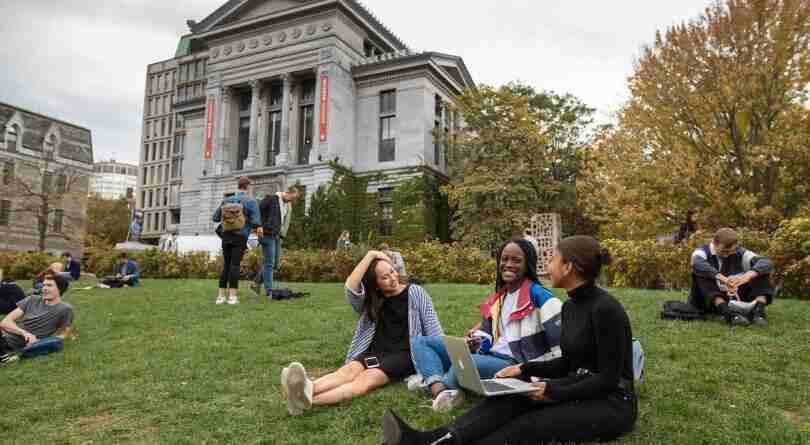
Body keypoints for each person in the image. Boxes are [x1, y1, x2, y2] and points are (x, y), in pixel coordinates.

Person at [382, 236, 637, 445]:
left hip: (612, 405)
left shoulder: (605, 310)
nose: (547, 266)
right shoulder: (571, 307)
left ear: (568, 266)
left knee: (526, 426)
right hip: (578, 386)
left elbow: (607, 379)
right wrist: (525, 370)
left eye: (553, 260)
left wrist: (553, 390)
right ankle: (432, 440)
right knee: (508, 398)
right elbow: (568, 362)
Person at [280, 250, 444, 415]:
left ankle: (307, 401)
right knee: (346, 372)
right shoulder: (372, 301)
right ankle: (306, 388)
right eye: (384, 278)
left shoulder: (415, 293)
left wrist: (441, 358)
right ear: (376, 284)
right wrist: (370, 255)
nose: (393, 278)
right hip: (375, 352)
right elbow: (351, 288)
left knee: (365, 381)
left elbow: (433, 327)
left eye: (392, 272)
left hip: (403, 355)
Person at [410, 238, 562, 412]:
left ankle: (436, 384)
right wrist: (476, 342)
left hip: (514, 364)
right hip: (491, 355)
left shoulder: (542, 298)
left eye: (516, 260)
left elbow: (560, 347)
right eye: (504, 259)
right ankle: (440, 388)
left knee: (465, 365)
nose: (508, 264)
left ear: (528, 264)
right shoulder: (499, 298)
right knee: (421, 342)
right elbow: (487, 333)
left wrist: (544, 380)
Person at [689, 227, 774, 326]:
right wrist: (723, 279)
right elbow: (697, 263)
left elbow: (766, 262)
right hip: (708, 302)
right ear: (714, 243)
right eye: (724, 251)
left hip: (735, 298)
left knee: (761, 270)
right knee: (700, 273)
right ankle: (728, 314)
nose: (727, 255)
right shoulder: (702, 251)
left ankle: (759, 312)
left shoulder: (740, 252)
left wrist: (747, 276)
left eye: (730, 251)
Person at [1, 274, 74, 364]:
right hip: (5, 334)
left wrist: (40, 343)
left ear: (60, 289)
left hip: (9, 342)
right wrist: (24, 333)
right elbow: (5, 322)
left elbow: (64, 334)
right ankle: (3, 357)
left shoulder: (65, 309)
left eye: (49, 285)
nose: (44, 288)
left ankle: (3, 357)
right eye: (44, 285)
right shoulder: (32, 299)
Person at [212, 177, 261, 305]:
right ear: (248, 187)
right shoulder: (251, 201)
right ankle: (232, 297)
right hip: (240, 237)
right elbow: (256, 222)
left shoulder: (227, 200)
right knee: (235, 265)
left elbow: (215, 218)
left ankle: (221, 297)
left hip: (226, 236)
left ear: (238, 186)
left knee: (226, 266)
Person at [257, 188, 300, 299]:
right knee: (270, 263)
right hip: (266, 234)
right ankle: (269, 292)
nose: (292, 200)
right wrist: (259, 226)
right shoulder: (271, 199)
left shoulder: (286, 205)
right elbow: (257, 210)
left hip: (276, 236)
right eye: (292, 197)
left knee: (275, 263)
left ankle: (255, 282)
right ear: (287, 192)